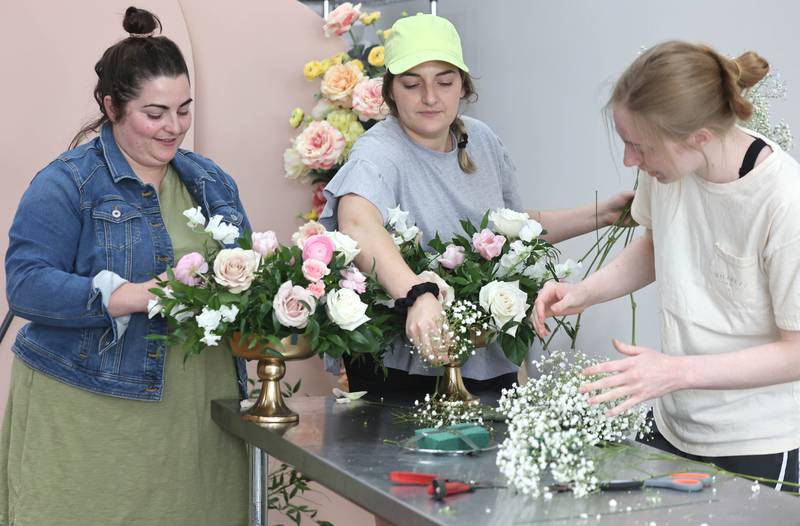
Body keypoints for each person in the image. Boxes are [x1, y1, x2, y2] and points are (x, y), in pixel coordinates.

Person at [0, 7, 251, 524]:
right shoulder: (65, 183)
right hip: (93, 411)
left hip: (201, 411)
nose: (174, 127)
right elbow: (25, 285)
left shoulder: (210, 181)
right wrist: (136, 294)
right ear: (112, 107)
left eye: (184, 110)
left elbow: (245, 267)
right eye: (155, 113)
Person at [319, 14, 632, 399]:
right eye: (412, 84)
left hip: (484, 359)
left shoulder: (480, 139)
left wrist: (605, 215)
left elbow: (515, 231)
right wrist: (417, 294)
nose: (430, 97)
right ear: (391, 92)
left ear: (463, 86)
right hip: (402, 369)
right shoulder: (377, 152)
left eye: (445, 82)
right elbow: (359, 224)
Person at [533, 40, 800, 491]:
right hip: (674, 424)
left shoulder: (783, 201)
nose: (629, 160)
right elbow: (660, 246)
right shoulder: (668, 171)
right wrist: (584, 291)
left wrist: (674, 371)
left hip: (759, 441)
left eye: (640, 147)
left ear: (699, 137)